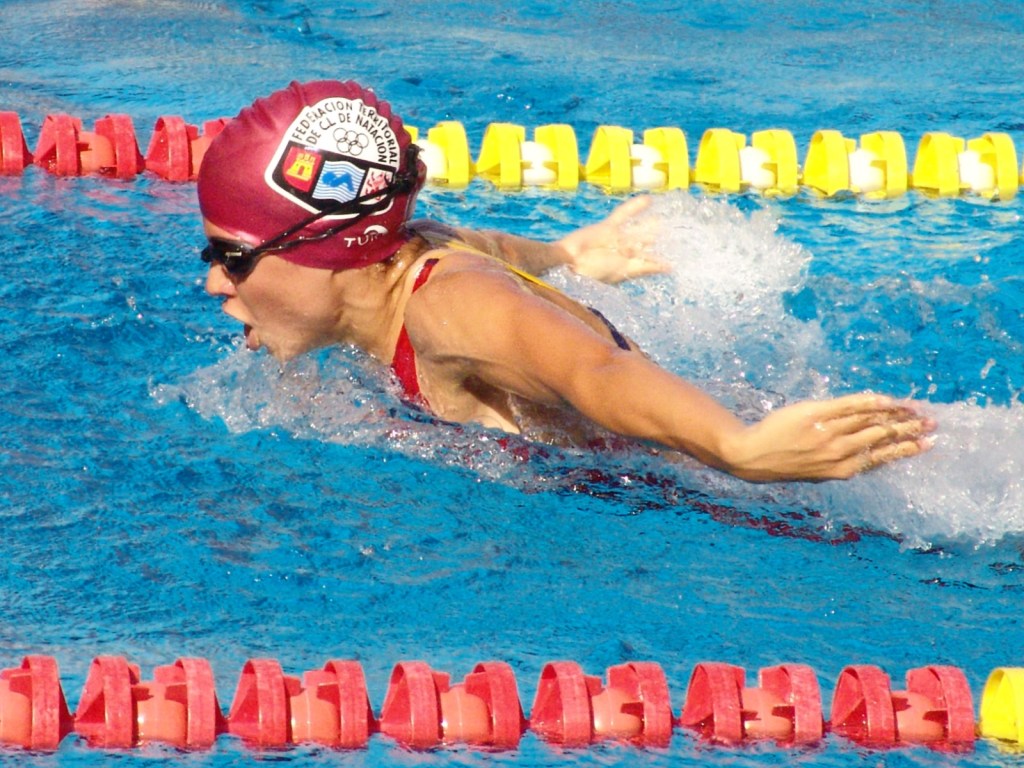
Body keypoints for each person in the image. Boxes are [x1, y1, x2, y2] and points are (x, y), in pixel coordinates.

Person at [197, 80, 935, 483]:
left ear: (327, 245)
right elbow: (477, 239)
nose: (214, 285)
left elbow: (592, 369)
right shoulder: (406, 261)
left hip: (751, 490)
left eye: (231, 257)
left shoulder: (450, 310)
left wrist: (739, 449)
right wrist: (570, 255)